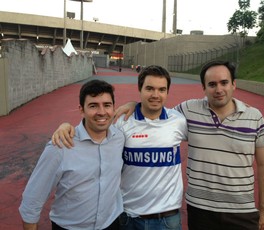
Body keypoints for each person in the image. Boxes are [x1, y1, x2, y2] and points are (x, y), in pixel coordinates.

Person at [114, 60, 264, 230]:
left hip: (240, 211)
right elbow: (154, 112)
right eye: (212, 84)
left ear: (234, 84)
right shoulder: (187, 111)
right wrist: (134, 104)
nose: (218, 90)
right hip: (198, 210)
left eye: (224, 83)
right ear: (203, 88)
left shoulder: (254, 116)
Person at [52, 65, 188, 230]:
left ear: (167, 92)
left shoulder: (178, 121)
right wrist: (66, 126)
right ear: (140, 89)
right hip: (127, 216)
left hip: (167, 218)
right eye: (149, 88)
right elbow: (95, 127)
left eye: (161, 89)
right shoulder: (123, 121)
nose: (155, 95)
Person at [19, 80, 125, 230]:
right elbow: (32, 200)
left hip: (111, 224)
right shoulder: (60, 146)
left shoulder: (119, 138)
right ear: (81, 110)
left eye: (107, 105)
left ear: (113, 108)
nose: (102, 112)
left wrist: (133, 104)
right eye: (93, 105)